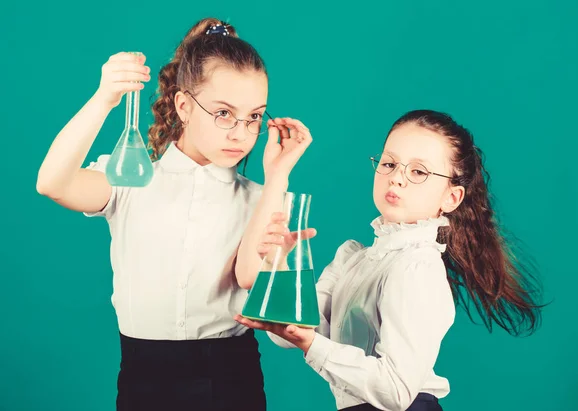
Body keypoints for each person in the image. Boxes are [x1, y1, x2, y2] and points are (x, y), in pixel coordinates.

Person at [36, 17, 313, 411]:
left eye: (254, 117)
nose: (241, 133)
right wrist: (105, 98)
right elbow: (53, 183)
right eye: (223, 113)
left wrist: (278, 179)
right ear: (183, 105)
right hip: (142, 380)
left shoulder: (263, 198)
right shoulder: (129, 179)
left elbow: (263, 295)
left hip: (232, 381)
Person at [236, 109, 542, 411]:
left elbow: (397, 392)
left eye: (418, 171)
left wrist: (310, 345)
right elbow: (290, 333)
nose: (396, 178)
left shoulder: (417, 266)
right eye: (389, 163)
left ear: (451, 197)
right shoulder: (353, 257)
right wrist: (280, 263)